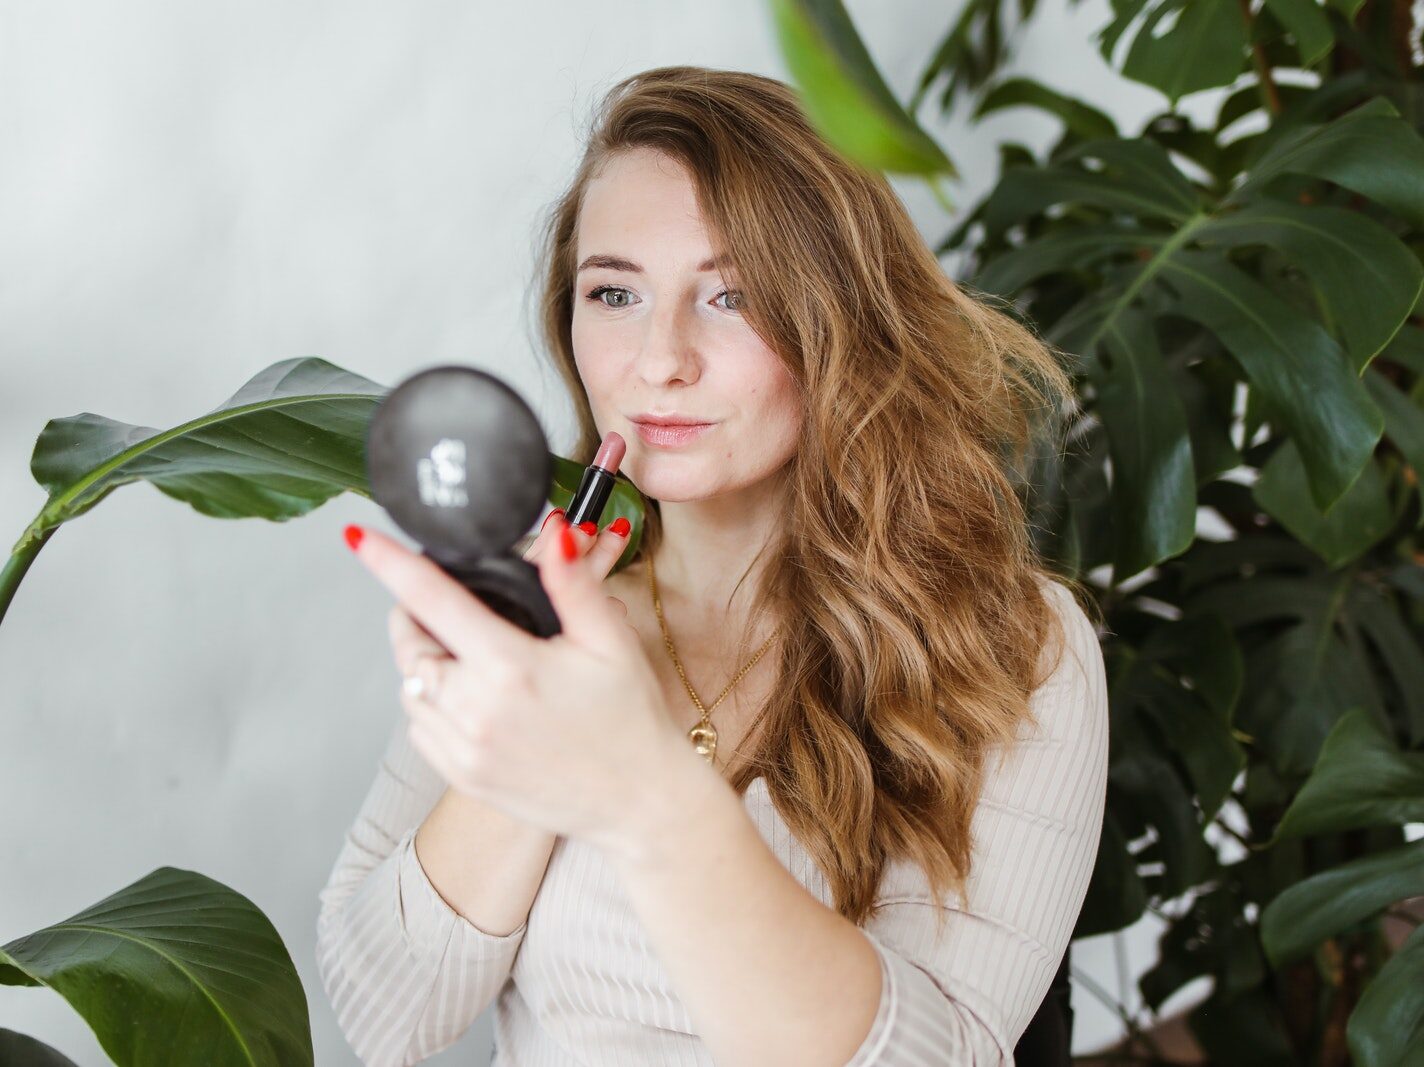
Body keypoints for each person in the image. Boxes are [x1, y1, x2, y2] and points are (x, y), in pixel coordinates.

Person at [316, 65, 1109, 1067]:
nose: (658, 359)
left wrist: (642, 789)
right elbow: (387, 1015)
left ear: (840, 321)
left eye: (728, 295)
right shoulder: (531, 614)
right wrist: (523, 692)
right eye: (613, 291)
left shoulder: (1011, 642)